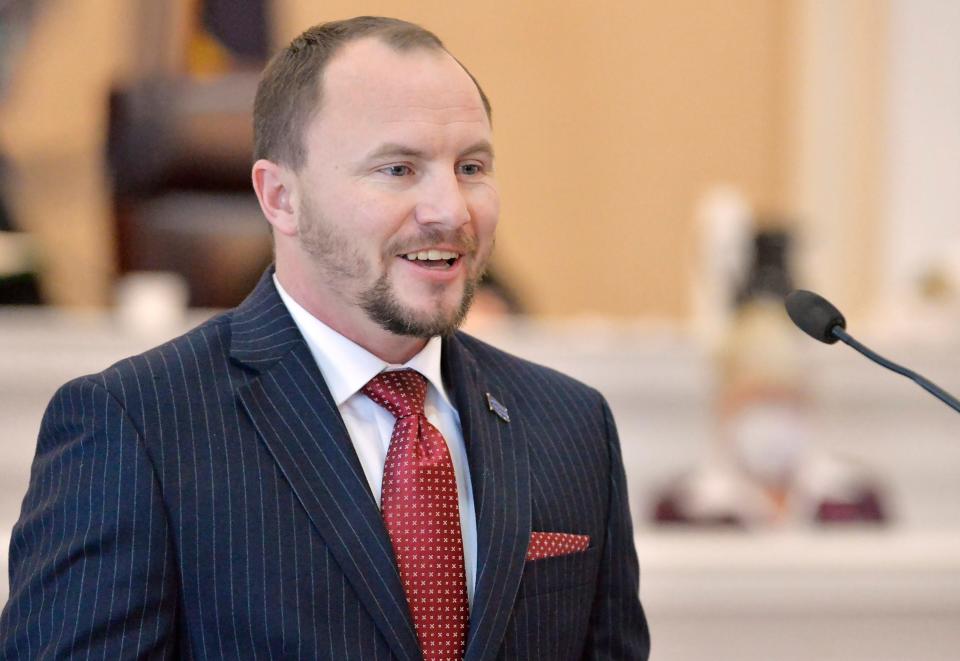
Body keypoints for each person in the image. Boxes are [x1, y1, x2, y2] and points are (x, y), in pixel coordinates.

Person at [0, 16, 649, 660]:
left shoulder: (573, 425)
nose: (451, 210)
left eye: (471, 166)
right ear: (281, 196)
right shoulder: (136, 427)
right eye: (398, 169)